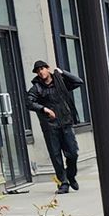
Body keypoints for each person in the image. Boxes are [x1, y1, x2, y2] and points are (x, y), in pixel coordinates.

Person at [25, 60, 84, 192]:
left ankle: (71, 175)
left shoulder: (60, 82)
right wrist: (44, 109)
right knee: (56, 155)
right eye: (38, 71)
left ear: (48, 69)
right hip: (50, 126)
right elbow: (29, 102)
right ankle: (63, 183)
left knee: (73, 153)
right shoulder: (37, 87)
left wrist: (63, 72)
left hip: (65, 122)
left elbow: (78, 82)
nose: (41, 72)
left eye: (42, 69)